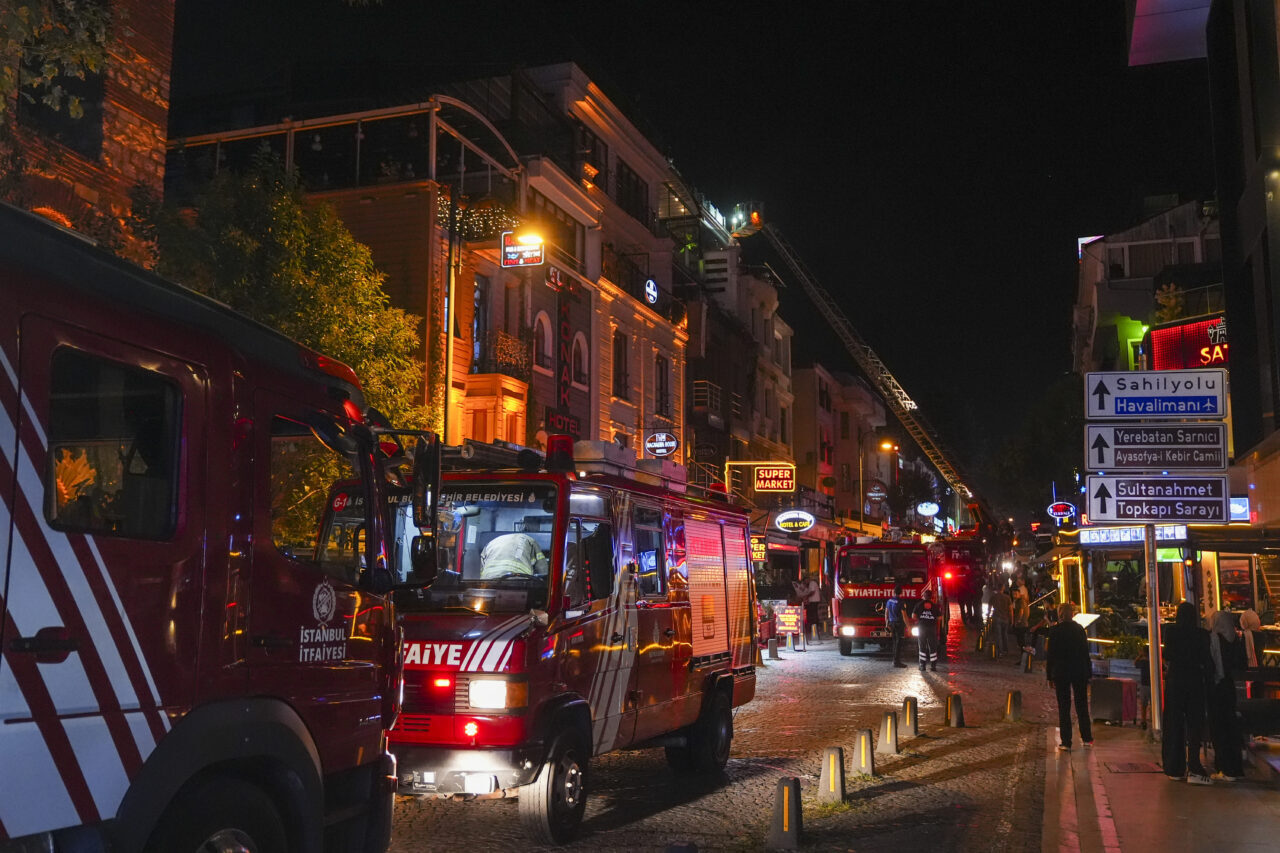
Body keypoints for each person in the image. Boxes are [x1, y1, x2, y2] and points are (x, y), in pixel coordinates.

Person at [1162, 601, 1214, 784]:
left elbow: (1167, 655)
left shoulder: (1171, 632)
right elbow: (1206, 660)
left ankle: (1174, 767)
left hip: (1176, 681)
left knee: (1175, 724)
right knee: (1194, 726)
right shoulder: (1201, 635)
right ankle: (1194, 766)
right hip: (1195, 682)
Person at [1046, 602, 1093, 750]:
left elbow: (1051, 655)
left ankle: (1066, 741)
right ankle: (1087, 738)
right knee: (1082, 704)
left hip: (1062, 671)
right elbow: (1086, 652)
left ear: (1060, 614)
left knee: (1064, 706)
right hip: (1079, 670)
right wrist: (1088, 672)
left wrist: (1049, 675)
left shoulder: (1055, 631)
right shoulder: (1079, 629)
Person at [1207, 610, 1246, 780]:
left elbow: (1212, 665)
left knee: (1219, 727)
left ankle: (1224, 767)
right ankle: (1235, 767)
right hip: (1230, 687)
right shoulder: (1235, 640)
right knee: (1230, 725)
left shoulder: (1214, 639)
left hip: (1217, 688)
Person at [478, 532, 547, 579]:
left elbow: (482, 570)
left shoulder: (491, 543)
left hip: (489, 581)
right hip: (518, 581)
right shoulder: (530, 541)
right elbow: (543, 570)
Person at [911, 587, 941, 671]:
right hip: (932, 628)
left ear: (924, 596)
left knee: (922, 646)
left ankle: (922, 665)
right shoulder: (935, 606)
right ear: (931, 597)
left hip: (922, 628)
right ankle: (933, 666)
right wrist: (932, 618)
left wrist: (919, 620)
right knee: (933, 647)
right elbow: (940, 617)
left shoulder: (919, 604)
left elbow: (913, 616)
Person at [793, 575, 824, 643]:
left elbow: (812, 592)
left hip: (814, 601)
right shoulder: (809, 585)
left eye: (806, 581)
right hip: (812, 601)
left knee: (813, 613)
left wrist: (806, 596)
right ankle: (813, 626)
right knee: (811, 613)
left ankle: (815, 626)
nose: (806, 582)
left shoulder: (812, 583)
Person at [884, 584, 908, 668]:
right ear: (901, 593)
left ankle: (894, 660)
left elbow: (886, 613)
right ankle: (896, 662)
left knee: (894, 642)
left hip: (891, 623)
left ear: (893, 592)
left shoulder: (889, 601)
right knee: (899, 643)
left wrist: (887, 624)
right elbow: (904, 615)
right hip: (899, 624)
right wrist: (908, 626)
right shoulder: (901, 602)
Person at [990, 584, 1013, 656]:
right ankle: (1006, 649)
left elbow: (989, 608)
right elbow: (1010, 610)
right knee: (1005, 634)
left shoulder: (993, 597)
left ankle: (1000, 650)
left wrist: (988, 617)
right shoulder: (1007, 598)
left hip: (997, 617)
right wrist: (1012, 620)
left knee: (998, 635)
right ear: (1003, 589)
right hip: (1005, 618)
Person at [1134, 643, 1152, 730]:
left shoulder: (1143, 662)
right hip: (1152, 685)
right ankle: (1153, 720)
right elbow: (1164, 668)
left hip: (1144, 684)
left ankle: (1144, 721)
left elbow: (1135, 663)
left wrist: (1139, 655)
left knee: (1144, 704)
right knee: (1152, 704)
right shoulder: (1153, 661)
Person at [1012, 587, 1031, 653]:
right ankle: (1023, 656)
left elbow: (1021, 611)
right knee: (1021, 641)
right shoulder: (1020, 601)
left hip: (1021, 624)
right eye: (1013, 594)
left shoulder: (1020, 601)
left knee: (1021, 641)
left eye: (1016, 594)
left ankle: (1024, 656)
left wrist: (1018, 620)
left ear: (1019, 594)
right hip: (1023, 623)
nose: (1014, 595)